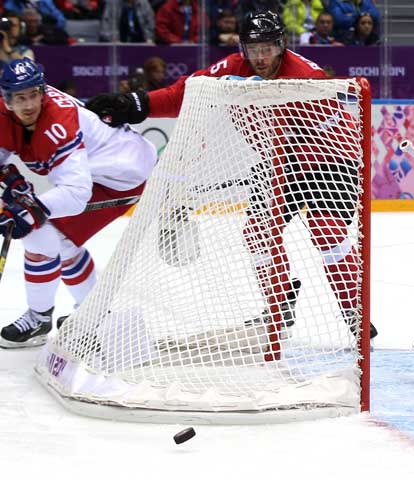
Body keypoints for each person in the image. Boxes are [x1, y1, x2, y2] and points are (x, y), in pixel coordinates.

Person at [84, 10, 378, 339]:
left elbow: (314, 136)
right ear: (243, 48)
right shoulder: (233, 68)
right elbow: (187, 93)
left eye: (268, 49)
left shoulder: (306, 76)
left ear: (281, 46)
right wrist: (134, 104)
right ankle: (280, 305)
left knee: (326, 233)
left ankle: (355, 312)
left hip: (328, 158)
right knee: (257, 234)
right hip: (280, 160)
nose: (261, 57)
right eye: (254, 49)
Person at [0, 58, 157, 348]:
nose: (29, 104)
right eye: (20, 98)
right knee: (55, 241)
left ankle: (50, 318)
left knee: (44, 236)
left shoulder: (57, 123)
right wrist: (10, 181)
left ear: (43, 92)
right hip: (98, 170)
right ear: (6, 100)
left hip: (123, 177)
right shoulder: (6, 112)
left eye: (34, 94)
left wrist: (30, 210)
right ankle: (88, 314)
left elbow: (75, 194)